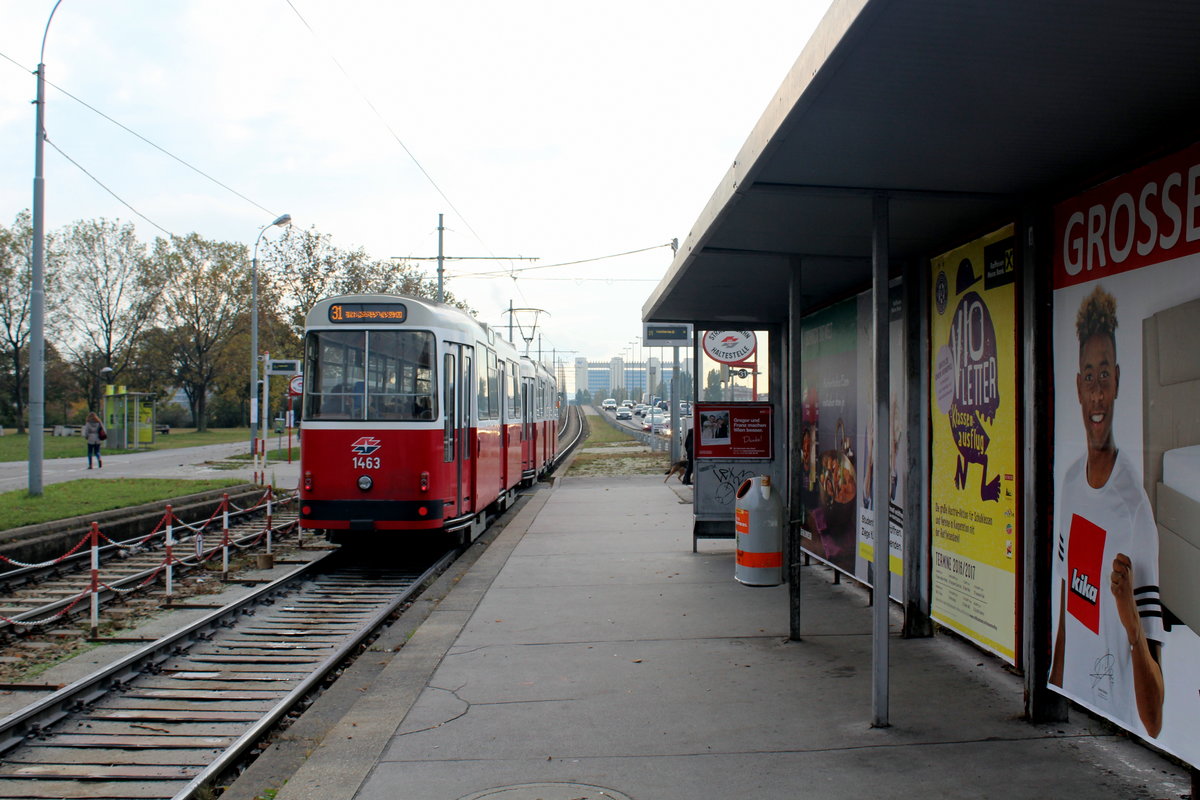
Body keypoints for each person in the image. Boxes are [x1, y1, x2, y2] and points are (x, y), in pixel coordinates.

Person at [1049, 284, 1164, 738]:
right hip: (1070, 728)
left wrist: (1130, 619)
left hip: (1113, 732)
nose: (1097, 393)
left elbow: (1154, 721)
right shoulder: (1071, 482)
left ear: (1117, 380)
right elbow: (1066, 619)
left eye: (1104, 377)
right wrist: (1055, 687)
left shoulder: (1135, 512)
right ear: (1077, 386)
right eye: (1088, 377)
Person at [681, 417, 694, 485]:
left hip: (689, 452)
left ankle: (685, 480)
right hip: (693, 452)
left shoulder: (689, 434)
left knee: (689, 467)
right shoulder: (696, 434)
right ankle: (687, 481)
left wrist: (688, 450)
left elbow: (686, 444)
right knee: (690, 467)